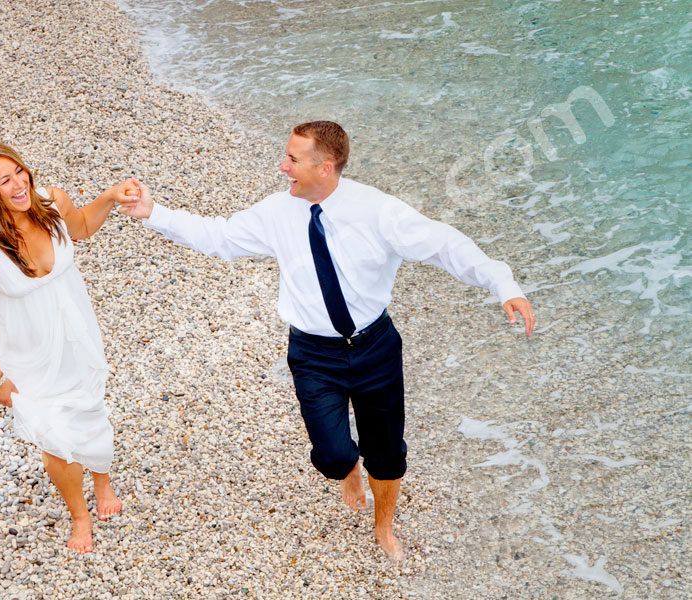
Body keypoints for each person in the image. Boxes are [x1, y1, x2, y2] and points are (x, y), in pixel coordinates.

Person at [117, 121, 535, 562]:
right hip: (313, 353)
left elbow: (445, 245)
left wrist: (502, 284)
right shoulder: (279, 211)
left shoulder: (379, 212)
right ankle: (347, 470)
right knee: (334, 456)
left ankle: (384, 526)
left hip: (375, 349)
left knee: (387, 453)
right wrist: (153, 213)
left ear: (327, 168)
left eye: (293, 160)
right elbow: (219, 237)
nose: (283, 167)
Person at [0, 140, 137, 553]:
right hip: (30, 358)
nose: (21, 183)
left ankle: (102, 479)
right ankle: (80, 515)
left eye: (20, 171)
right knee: (55, 438)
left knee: (90, 409)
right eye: (6, 180)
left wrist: (108, 196)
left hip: (77, 336)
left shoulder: (52, 202)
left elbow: (82, 228)